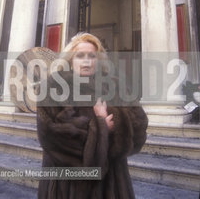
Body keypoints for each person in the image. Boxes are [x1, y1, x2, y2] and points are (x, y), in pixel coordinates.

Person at [37, 33, 148, 199]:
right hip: (68, 186)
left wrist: (117, 122)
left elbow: (139, 129)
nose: (87, 61)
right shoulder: (53, 87)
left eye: (92, 56)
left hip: (112, 183)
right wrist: (102, 127)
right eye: (80, 56)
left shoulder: (116, 85)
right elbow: (52, 137)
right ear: (70, 59)